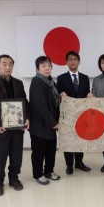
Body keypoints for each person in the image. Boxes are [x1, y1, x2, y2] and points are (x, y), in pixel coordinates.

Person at [0, 54, 29, 196]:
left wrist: (27, 118)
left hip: (16, 127)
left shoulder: (18, 83)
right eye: (4, 64)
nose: (7, 66)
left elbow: (24, 102)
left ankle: (14, 178)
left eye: (10, 64)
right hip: (0, 128)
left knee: (17, 156)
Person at [57, 51, 91, 175]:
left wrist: (89, 94)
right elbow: (58, 93)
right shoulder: (61, 78)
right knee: (69, 140)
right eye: (70, 59)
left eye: (75, 59)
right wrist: (61, 94)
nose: (72, 61)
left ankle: (79, 163)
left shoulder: (85, 77)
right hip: (68, 115)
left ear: (79, 61)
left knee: (80, 139)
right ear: (66, 63)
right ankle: (69, 165)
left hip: (82, 115)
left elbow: (87, 92)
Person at [29, 56, 60, 185]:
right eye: (43, 66)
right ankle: (38, 174)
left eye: (49, 66)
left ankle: (49, 171)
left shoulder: (51, 82)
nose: (47, 68)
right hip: (40, 125)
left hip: (51, 123)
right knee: (39, 151)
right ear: (37, 68)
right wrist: (53, 123)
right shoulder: (37, 82)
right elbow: (41, 106)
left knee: (50, 150)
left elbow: (56, 102)